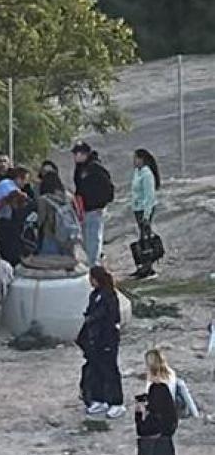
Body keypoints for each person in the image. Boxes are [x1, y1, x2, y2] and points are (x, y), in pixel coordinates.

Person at [77, 265, 126, 420]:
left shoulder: (110, 296)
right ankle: (99, 399)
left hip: (107, 339)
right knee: (96, 369)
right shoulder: (94, 295)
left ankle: (116, 402)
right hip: (94, 340)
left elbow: (110, 318)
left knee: (110, 370)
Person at [73, 142, 115, 267]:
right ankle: (93, 263)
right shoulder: (81, 168)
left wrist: (100, 204)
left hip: (94, 208)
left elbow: (108, 188)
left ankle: (94, 266)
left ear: (84, 154)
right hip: (84, 208)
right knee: (86, 239)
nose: (75, 156)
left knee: (93, 238)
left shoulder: (95, 168)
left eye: (77, 153)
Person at [131, 149, 162, 279]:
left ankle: (148, 267)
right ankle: (142, 265)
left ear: (142, 159)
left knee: (146, 238)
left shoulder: (147, 174)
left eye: (136, 158)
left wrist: (146, 215)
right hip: (137, 208)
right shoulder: (137, 172)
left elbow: (150, 196)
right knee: (143, 237)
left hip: (144, 209)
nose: (134, 161)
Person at [33, 170, 79, 259]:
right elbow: (76, 212)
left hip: (51, 234)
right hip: (68, 235)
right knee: (68, 263)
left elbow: (41, 220)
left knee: (51, 265)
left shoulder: (44, 199)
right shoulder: (68, 196)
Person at [0, 166, 31, 264]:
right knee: (9, 251)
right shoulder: (7, 185)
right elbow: (14, 196)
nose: (25, 183)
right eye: (24, 180)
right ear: (18, 178)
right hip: (5, 222)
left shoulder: (6, 184)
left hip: (6, 221)